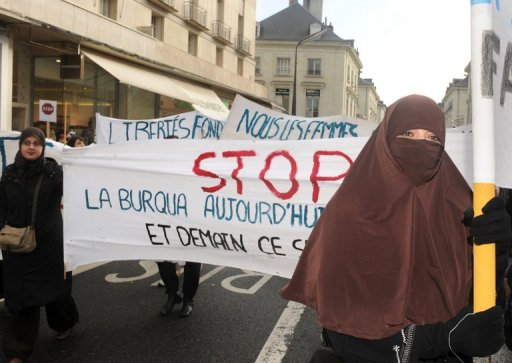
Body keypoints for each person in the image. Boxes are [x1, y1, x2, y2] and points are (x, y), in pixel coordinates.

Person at [280, 95, 512, 362]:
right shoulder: (349, 212)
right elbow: (343, 333)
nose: (421, 145)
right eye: (408, 133)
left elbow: (486, 311)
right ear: (385, 139)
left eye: (433, 138)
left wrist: (496, 253)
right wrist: (445, 337)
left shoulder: (460, 206)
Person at [0, 127, 79, 363]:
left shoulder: (53, 173)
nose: (31, 147)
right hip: (18, 247)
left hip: (49, 246)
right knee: (22, 298)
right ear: (21, 146)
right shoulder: (9, 174)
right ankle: (18, 350)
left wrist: (85, 159)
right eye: (27, 143)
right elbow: (1, 205)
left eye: (36, 143)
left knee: (56, 291)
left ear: (43, 147)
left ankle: (64, 322)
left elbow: (79, 184)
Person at [156, 134, 201, 318]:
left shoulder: (194, 169)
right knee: (163, 260)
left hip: (190, 223)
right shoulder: (156, 171)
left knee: (192, 261)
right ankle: (173, 295)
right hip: (165, 223)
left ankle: (188, 299)